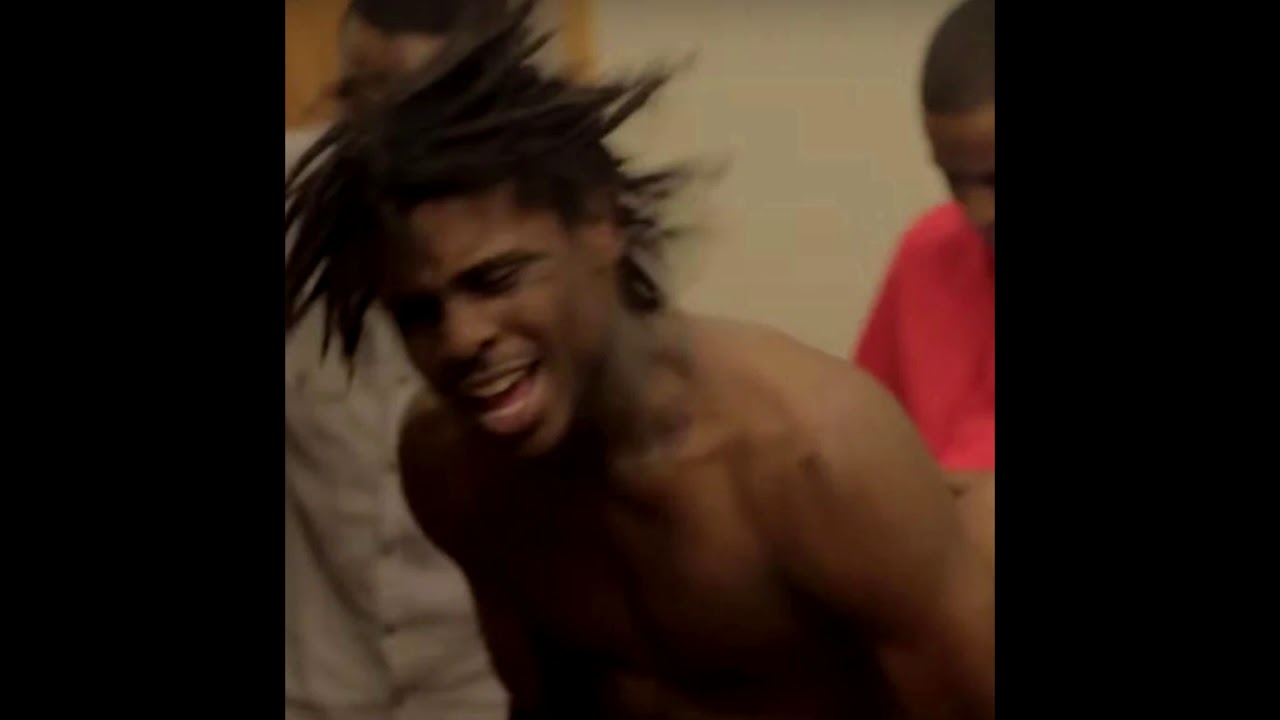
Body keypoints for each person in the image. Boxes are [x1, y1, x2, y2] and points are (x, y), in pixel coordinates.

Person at [285, 3, 996, 718]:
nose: (461, 337)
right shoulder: (451, 468)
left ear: (602, 223)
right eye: (418, 313)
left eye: (495, 280)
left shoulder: (810, 454)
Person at [285, 2, 506, 719]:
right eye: (359, 101)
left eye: (413, 106)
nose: (375, 141)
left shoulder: (549, 234)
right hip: (316, 690)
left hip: (485, 693)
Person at [853, 0, 995, 568]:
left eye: (995, 179)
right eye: (954, 179)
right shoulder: (927, 249)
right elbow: (863, 455)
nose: (977, 212)